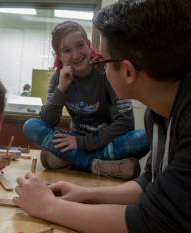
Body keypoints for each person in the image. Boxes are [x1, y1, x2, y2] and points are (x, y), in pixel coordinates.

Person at [14, 0, 191, 232]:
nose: (100, 66)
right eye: (67, 50)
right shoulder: (157, 114)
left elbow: (153, 221)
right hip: (84, 145)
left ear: (127, 71)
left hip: (102, 143)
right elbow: (151, 183)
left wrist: (47, 206)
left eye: (105, 61)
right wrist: (87, 194)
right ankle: (92, 164)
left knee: (139, 138)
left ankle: (81, 162)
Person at [23, 21, 149, 180]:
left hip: (106, 141)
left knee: (144, 137)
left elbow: (125, 123)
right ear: (59, 56)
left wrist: (81, 143)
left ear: (89, 45)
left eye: (80, 45)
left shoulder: (107, 70)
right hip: (75, 139)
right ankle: (97, 165)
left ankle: (71, 160)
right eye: (67, 50)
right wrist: (61, 89)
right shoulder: (58, 78)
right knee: (30, 126)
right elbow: (48, 121)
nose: (76, 55)